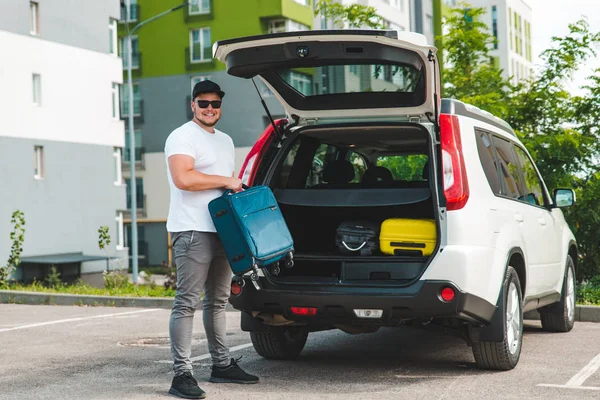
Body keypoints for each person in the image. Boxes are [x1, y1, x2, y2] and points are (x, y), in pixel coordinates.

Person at [164, 80, 259, 399]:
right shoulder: (181, 136)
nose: (209, 108)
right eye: (203, 103)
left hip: (223, 230)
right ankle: (182, 375)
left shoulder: (226, 141)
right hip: (192, 229)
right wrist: (226, 180)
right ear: (193, 105)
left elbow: (227, 189)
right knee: (187, 302)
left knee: (218, 301)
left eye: (215, 104)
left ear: (221, 106)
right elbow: (184, 178)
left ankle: (221, 365)